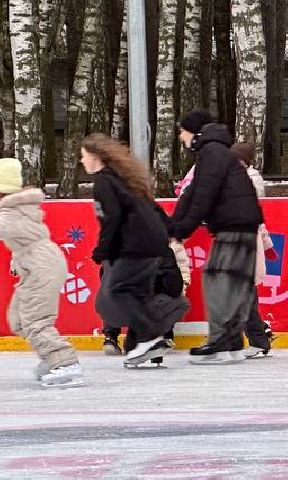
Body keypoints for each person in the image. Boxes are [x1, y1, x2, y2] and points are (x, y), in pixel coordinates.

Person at [80, 135, 189, 368]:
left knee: (119, 290)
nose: (82, 161)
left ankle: (151, 336)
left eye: (84, 156)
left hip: (134, 246)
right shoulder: (126, 179)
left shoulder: (104, 182)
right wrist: (172, 231)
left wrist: (102, 250)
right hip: (155, 245)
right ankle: (142, 347)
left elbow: (112, 218)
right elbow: (155, 208)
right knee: (138, 294)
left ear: (96, 157)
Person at [167, 118, 265, 364]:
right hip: (240, 226)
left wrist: (181, 230)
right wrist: (173, 226)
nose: (181, 137)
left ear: (194, 132)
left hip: (234, 227)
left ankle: (221, 342)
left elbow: (203, 195)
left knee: (219, 282)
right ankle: (231, 343)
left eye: (182, 132)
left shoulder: (212, 152)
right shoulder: (215, 152)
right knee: (227, 283)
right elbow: (192, 193)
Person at [0, 158, 86, 388]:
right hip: (38, 263)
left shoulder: (9, 214)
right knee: (18, 318)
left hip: (41, 266)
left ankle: (66, 362)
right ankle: (52, 357)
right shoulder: (14, 208)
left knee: (35, 319)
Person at [232, 143, 276, 358]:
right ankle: (257, 335)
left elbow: (253, 216)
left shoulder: (249, 181)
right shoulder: (233, 179)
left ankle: (255, 336)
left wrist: (267, 245)